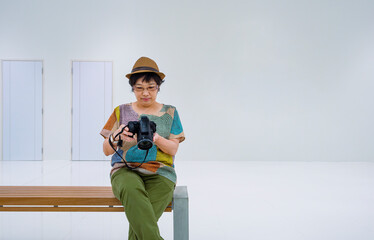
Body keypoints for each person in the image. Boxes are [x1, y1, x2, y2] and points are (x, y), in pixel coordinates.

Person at [100, 56, 185, 240]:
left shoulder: (170, 112)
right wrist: (116, 136)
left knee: (141, 222)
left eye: (151, 88)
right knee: (132, 192)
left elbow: (172, 150)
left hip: (162, 173)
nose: (145, 93)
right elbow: (106, 150)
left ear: (158, 87)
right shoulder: (120, 111)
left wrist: (156, 138)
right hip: (125, 170)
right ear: (132, 88)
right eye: (139, 88)